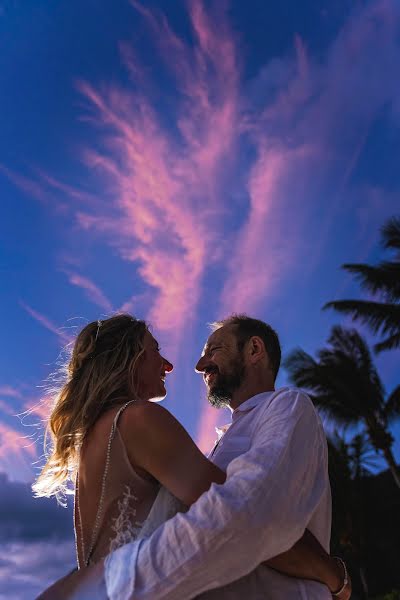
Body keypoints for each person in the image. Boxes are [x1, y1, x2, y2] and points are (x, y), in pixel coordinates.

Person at [36, 314, 350, 599]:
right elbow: (240, 517)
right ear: (128, 359)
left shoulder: (285, 408)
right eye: (155, 349)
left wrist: (91, 588)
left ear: (254, 350)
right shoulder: (137, 419)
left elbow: (248, 513)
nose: (195, 365)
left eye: (214, 350)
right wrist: (333, 575)